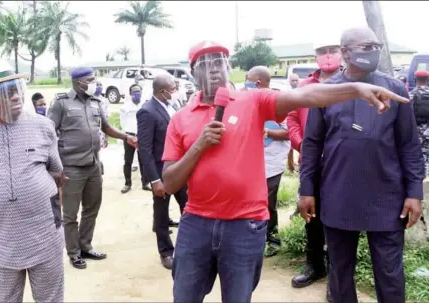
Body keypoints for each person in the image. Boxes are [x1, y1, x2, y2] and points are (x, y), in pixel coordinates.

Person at [160, 40, 408, 303]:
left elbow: (306, 96)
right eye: (205, 64)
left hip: (245, 226)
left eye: (220, 62)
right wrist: (199, 145)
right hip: (196, 223)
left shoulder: (252, 100)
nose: (214, 70)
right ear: (193, 72)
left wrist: (355, 89)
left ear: (229, 67)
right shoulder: (179, 119)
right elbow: (170, 183)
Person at [299, 27, 424, 303]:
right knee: (340, 272)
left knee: (390, 274)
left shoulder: (393, 89)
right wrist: (306, 190)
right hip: (338, 194)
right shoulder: (326, 93)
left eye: (375, 46)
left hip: (387, 197)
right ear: (345, 52)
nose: (372, 52)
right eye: (364, 47)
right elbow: (312, 145)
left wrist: (414, 192)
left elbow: (409, 145)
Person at [0, 63, 65, 302]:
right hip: (2, 238)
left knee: (50, 298)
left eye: (17, 88)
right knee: (8, 298)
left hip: (44, 233)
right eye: (7, 92)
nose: (16, 96)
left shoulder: (43, 126)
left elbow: (57, 174)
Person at [47, 67, 137, 270]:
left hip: (94, 165)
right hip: (71, 167)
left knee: (92, 208)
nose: (94, 83)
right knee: (70, 214)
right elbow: (49, 133)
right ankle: (74, 252)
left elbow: (106, 127)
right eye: (90, 79)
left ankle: (85, 246)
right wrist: (54, 166)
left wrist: (126, 137)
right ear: (78, 82)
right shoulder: (62, 103)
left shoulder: (96, 102)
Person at [287, 40, 343, 298]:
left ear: (342, 53)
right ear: (315, 56)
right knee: (310, 214)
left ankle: (337, 273)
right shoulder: (304, 87)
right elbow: (291, 118)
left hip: (340, 165)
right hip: (310, 163)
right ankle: (314, 265)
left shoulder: (349, 84)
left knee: (340, 219)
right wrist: (302, 145)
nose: (328, 56)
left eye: (333, 51)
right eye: (322, 52)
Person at [136, 74, 188, 270]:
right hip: (160, 171)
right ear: (161, 91)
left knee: (189, 208)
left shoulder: (171, 106)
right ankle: (166, 252)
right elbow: (145, 149)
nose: (175, 91)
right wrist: (154, 180)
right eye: (173, 88)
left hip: (178, 167)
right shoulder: (147, 112)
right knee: (161, 214)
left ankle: (190, 247)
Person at [246, 66, 291, 257]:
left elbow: (288, 132)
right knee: (251, 201)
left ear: (257, 82)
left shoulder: (278, 102)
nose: (245, 83)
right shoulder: (247, 101)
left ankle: (272, 239)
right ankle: (253, 238)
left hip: (272, 164)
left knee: (268, 202)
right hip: (252, 162)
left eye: (247, 79)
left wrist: (266, 132)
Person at [119, 84, 151, 193]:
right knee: (128, 161)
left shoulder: (145, 105)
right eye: (134, 92)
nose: (137, 94)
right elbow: (122, 122)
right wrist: (127, 135)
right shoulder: (125, 107)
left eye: (139, 91)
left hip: (142, 136)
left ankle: (145, 183)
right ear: (130, 94)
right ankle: (127, 184)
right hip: (129, 136)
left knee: (143, 160)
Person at [409, 70, 429, 176]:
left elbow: (406, 115)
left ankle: (419, 175)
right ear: (427, 80)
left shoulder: (410, 95)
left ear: (415, 79)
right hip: (427, 131)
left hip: (416, 131)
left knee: (416, 154)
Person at [94, 81, 109, 175]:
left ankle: (99, 167)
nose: (99, 87)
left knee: (99, 150)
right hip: (92, 129)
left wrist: (107, 136)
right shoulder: (89, 99)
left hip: (101, 130)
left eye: (101, 85)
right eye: (97, 85)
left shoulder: (105, 101)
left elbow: (106, 119)